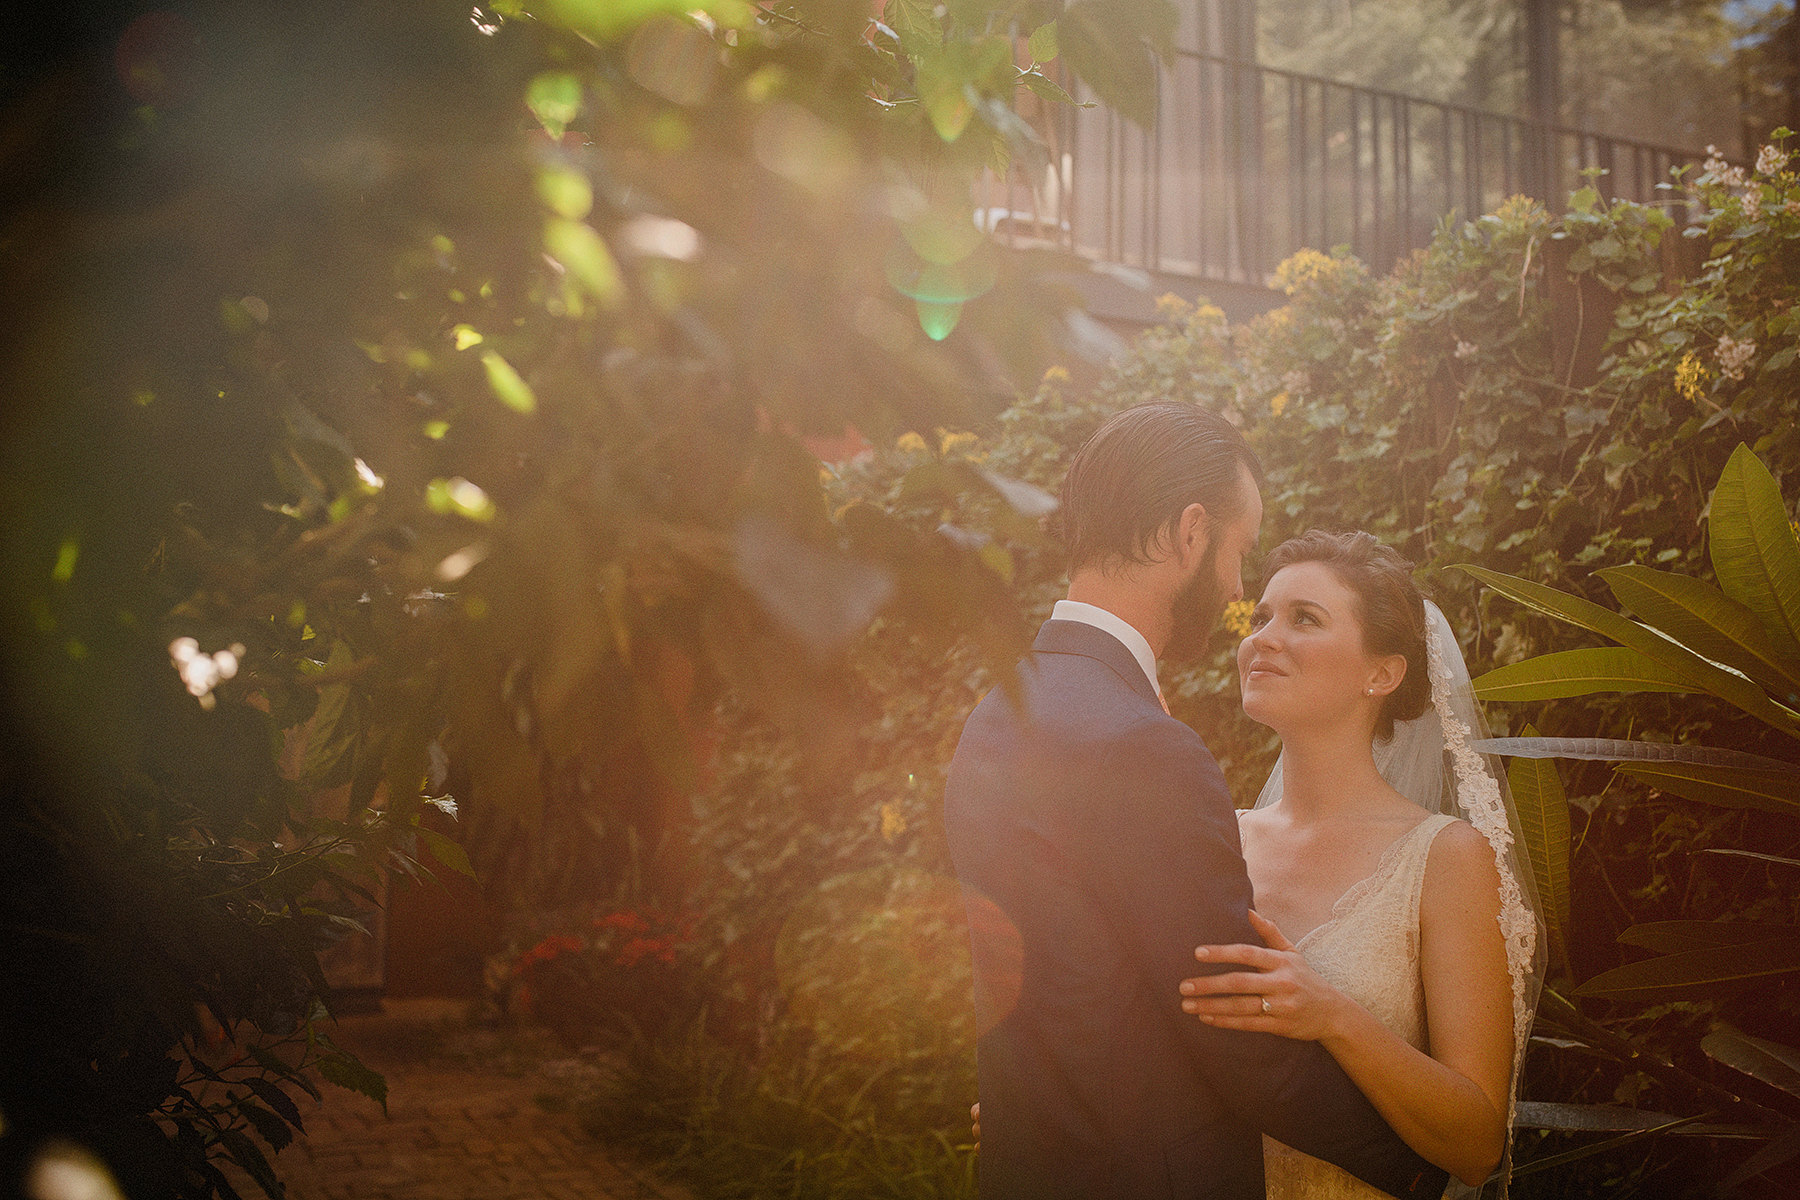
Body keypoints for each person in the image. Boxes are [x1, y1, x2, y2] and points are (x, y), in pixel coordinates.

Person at [945, 403, 1449, 1200]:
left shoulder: (993, 717)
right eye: (1239, 551)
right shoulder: (1143, 743)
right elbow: (1224, 1017)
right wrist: (1418, 1167)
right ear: (1189, 533)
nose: (1238, 590)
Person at [1176, 531, 1543, 1198]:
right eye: (1260, 618)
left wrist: (1332, 1015)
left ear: (1382, 673)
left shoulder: (1445, 859)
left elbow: (1478, 1143)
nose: (1263, 638)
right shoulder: (1211, 843)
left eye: (1304, 619)